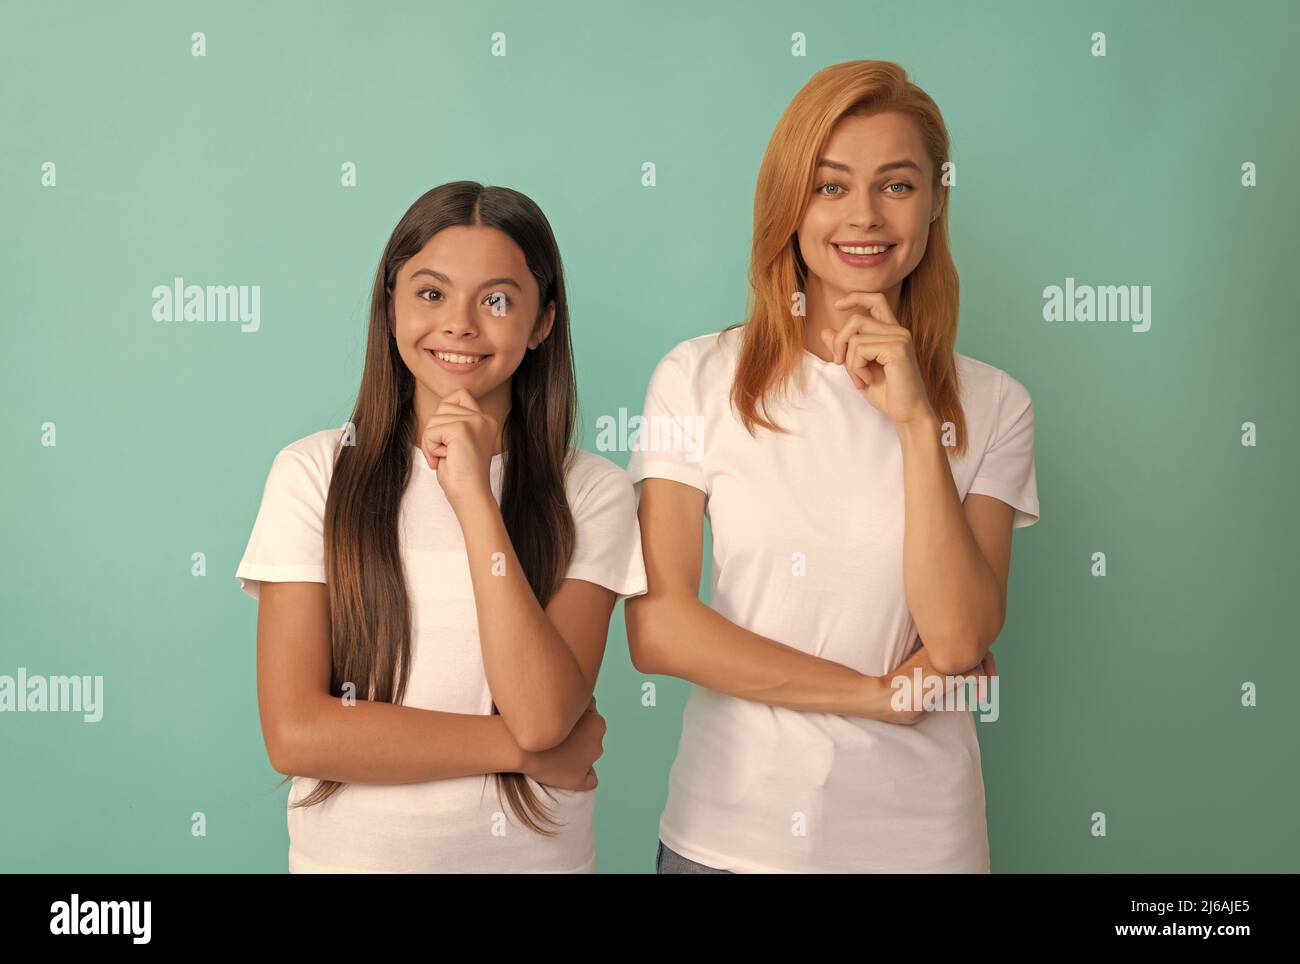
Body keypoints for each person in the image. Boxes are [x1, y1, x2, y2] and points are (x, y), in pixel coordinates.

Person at [626, 61, 1040, 873]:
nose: (864, 216)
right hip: (727, 837)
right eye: (830, 187)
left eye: (897, 186)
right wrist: (876, 696)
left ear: (933, 204)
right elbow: (660, 626)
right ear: (790, 203)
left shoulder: (995, 405)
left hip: (921, 844)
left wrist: (918, 424)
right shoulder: (699, 377)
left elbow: (957, 641)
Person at [235, 181, 647, 872]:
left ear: (542, 322)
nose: (459, 324)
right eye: (430, 293)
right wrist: (518, 751)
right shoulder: (311, 474)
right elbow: (298, 734)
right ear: (390, 304)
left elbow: (544, 713)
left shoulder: (594, 492)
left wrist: (475, 500)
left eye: (496, 300)